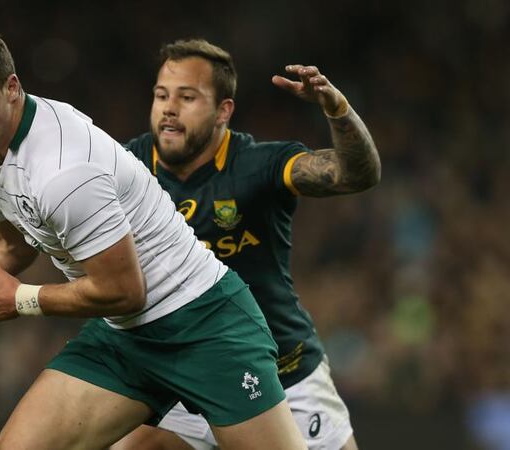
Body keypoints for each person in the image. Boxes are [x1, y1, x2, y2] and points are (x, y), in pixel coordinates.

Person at [0, 25, 307, 449]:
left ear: (11, 88)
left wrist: (19, 299)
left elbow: (124, 291)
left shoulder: (64, 171)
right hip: (125, 337)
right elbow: (10, 242)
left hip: (204, 324)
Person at [110, 40, 380, 450]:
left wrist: (337, 109)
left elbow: (355, 174)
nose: (169, 108)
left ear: (223, 111)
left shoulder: (258, 165)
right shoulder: (125, 167)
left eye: (187, 97)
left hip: (283, 375)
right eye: (162, 95)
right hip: (189, 379)